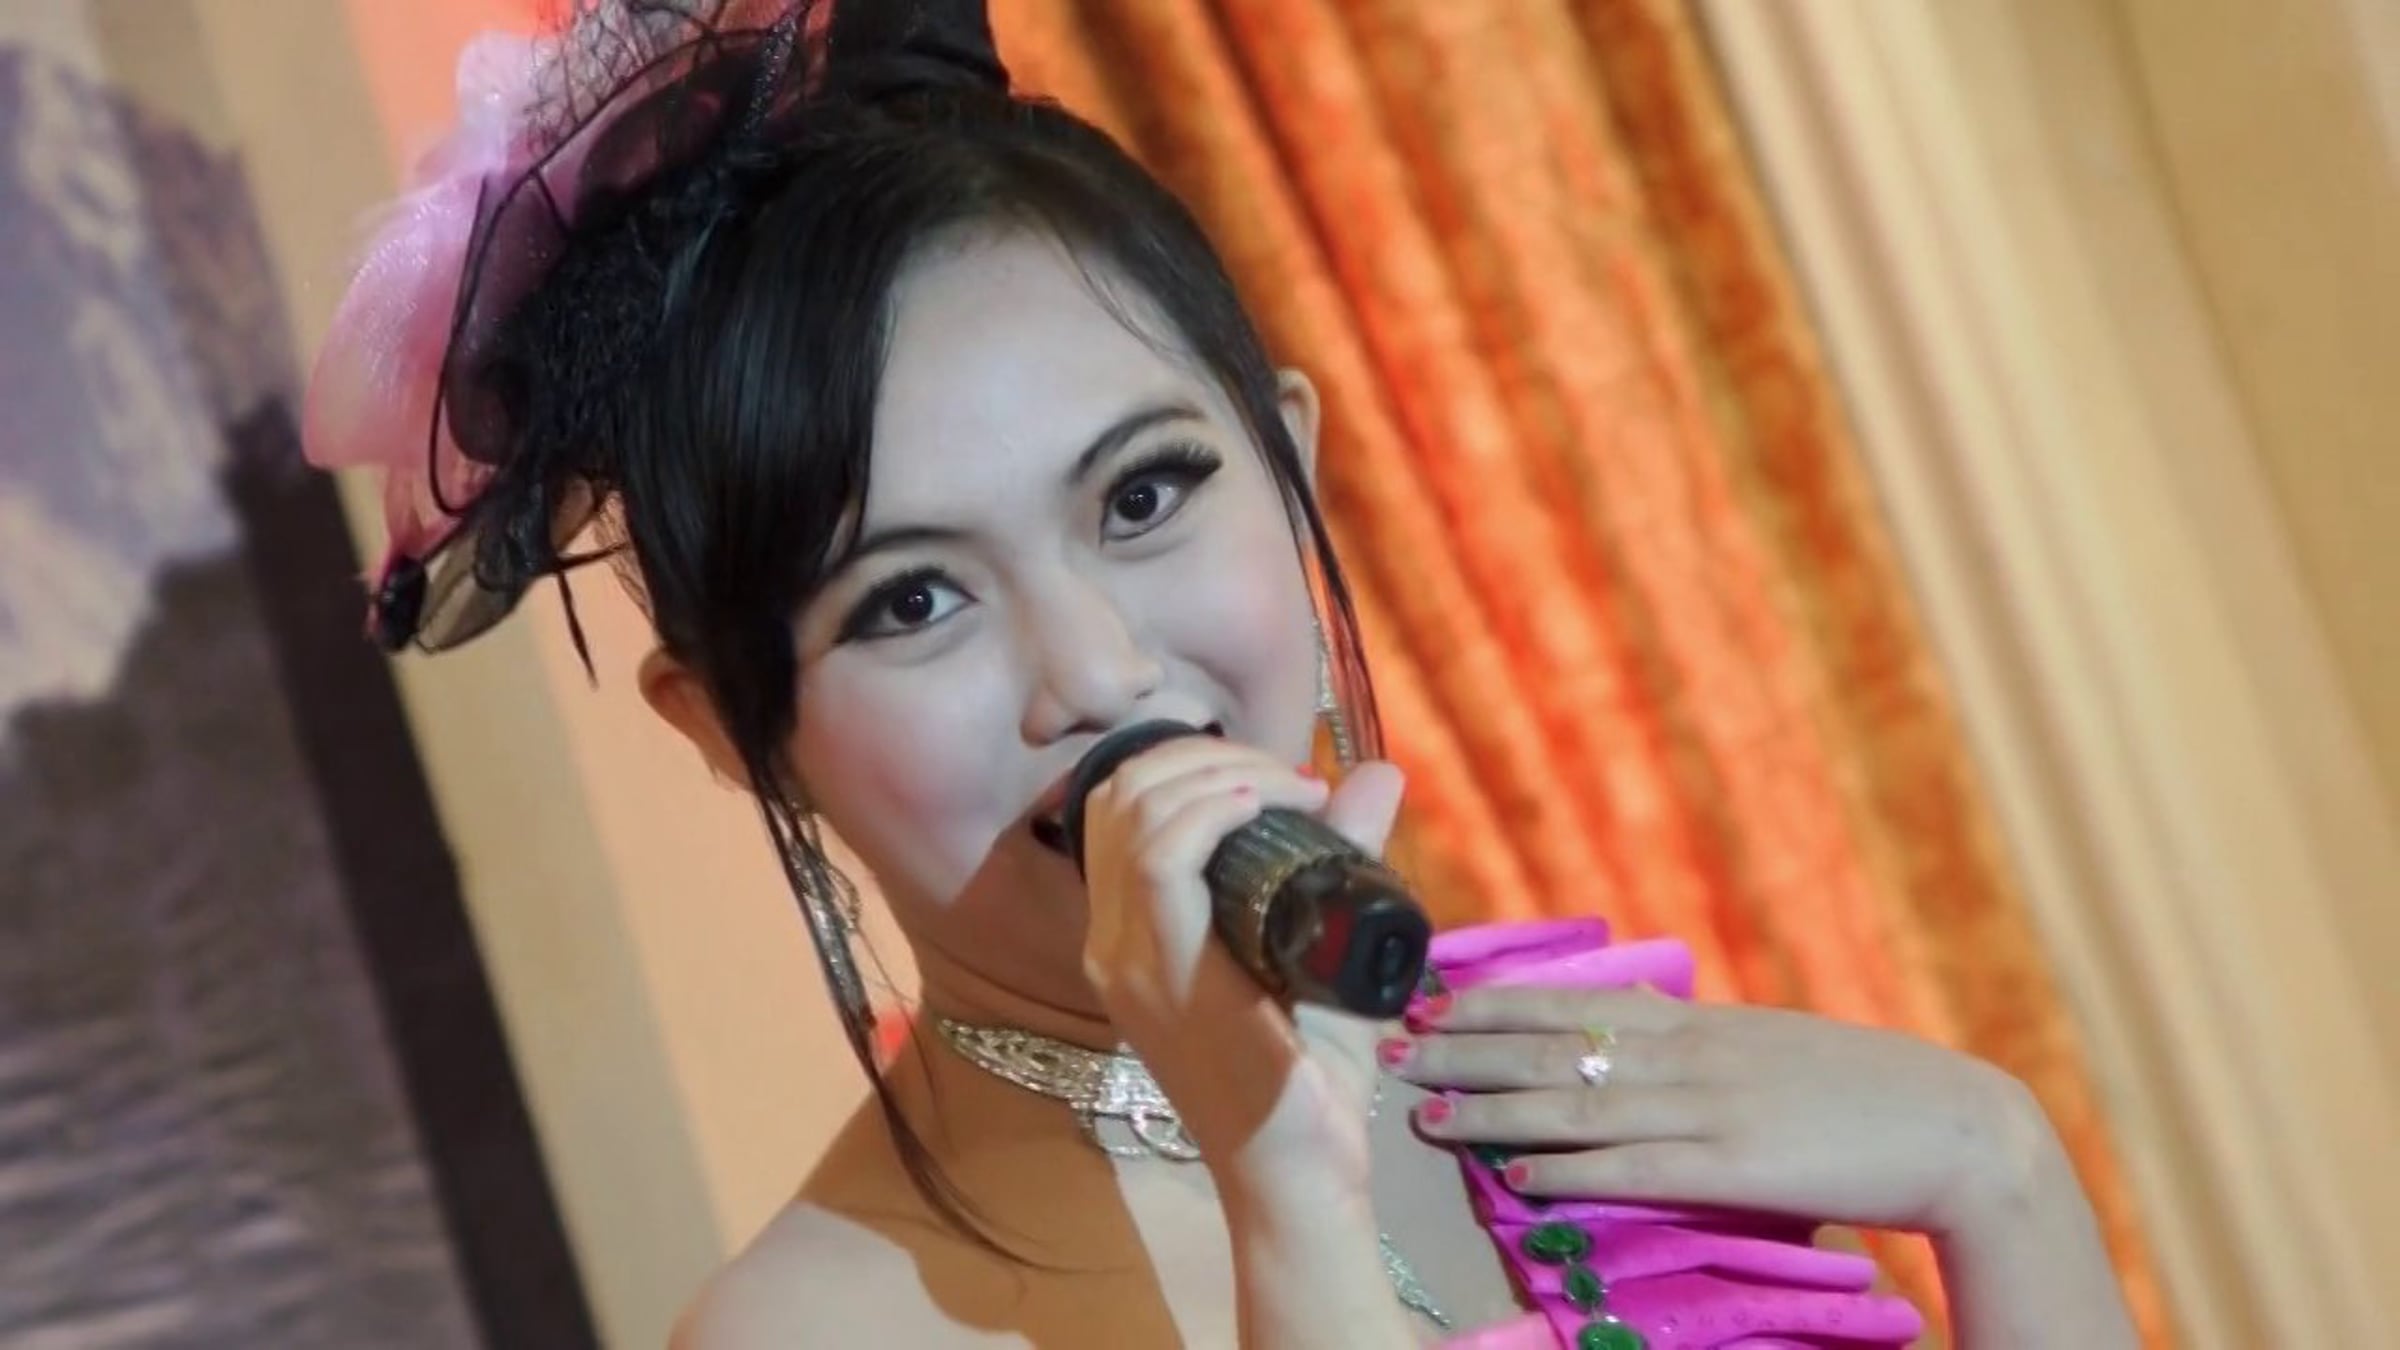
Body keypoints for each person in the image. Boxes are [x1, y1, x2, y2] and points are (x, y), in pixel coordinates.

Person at [304, 2, 2139, 1345]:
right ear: (732, 729)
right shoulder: (823, 1328)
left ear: (1294, 466)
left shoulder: (1563, 1073)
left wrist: (1999, 1171)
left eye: (1145, 494)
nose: (1099, 670)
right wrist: (1285, 1192)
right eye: (914, 599)